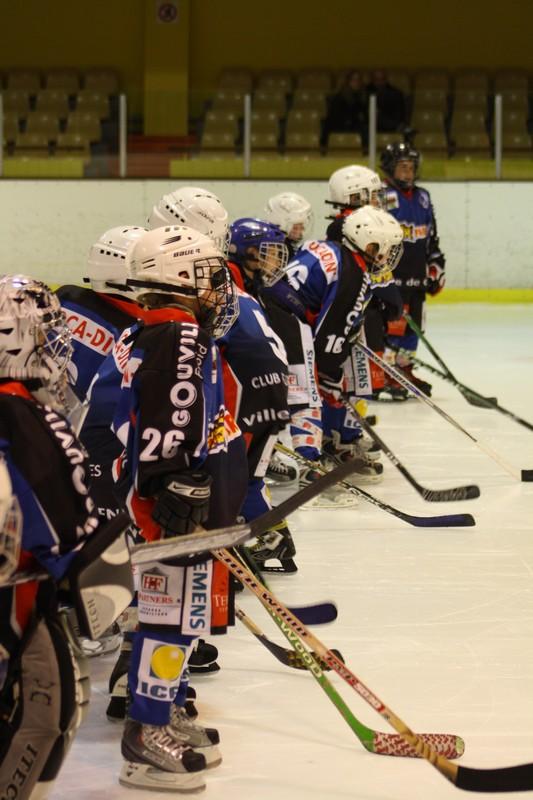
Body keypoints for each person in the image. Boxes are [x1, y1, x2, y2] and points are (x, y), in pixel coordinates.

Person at [111, 226, 248, 792]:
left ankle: (160, 711)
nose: (219, 288)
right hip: (161, 510)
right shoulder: (177, 332)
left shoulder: (157, 329)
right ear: (180, 279)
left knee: (173, 620)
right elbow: (169, 418)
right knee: (170, 619)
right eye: (210, 277)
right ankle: (145, 738)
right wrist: (180, 486)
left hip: (151, 503)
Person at [0, 275, 133, 800]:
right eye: (50, 334)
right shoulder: (27, 417)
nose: (62, 347)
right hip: (13, 614)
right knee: (50, 711)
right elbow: (75, 541)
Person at [149, 195, 294, 574]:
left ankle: (264, 538)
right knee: (241, 476)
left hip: (253, 391)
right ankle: (264, 536)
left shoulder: (198, 280)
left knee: (231, 476)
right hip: (264, 387)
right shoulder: (217, 275)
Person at [284, 207, 403, 480]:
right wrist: (329, 374)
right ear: (370, 245)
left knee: (309, 388)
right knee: (308, 392)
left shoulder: (328, 247)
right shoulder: (353, 274)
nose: (388, 255)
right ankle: (309, 467)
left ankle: (327, 444)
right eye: (386, 248)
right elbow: (328, 337)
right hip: (285, 323)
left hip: (273, 312)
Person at [326, 165, 405, 400]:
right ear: (354, 195)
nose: (376, 199)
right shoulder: (349, 227)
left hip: (365, 310)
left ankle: (349, 428)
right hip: (359, 312)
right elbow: (367, 273)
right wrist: (390, 299)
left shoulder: (360, 222)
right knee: (357, 378)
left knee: (363, 380)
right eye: (371, 194)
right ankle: (343, 428)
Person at [380, 142, 446, 396]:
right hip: (391, 279)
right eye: (402, 167)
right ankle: (386, 372)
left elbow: (432, 239)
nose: (408, 172)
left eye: (411, 168)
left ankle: (404, 369)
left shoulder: (423, 197)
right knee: (392, 327)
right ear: (390, 168)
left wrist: (435, 268)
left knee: (414, 327)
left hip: (416, 278)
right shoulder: (381, 196)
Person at [264, 191, 314, 259]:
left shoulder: (288, 248)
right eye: (296, 227)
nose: (303, 229)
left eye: (302, 226)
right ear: (282, 227)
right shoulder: (282, 252)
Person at [324, 70, 367, 145]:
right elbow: (335, 118)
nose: (356, 82)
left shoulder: (364, 97)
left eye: (358, 80)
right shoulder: (338, 98)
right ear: (348, 82)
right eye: (353, 80)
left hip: (356, 129)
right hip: (340, 127)